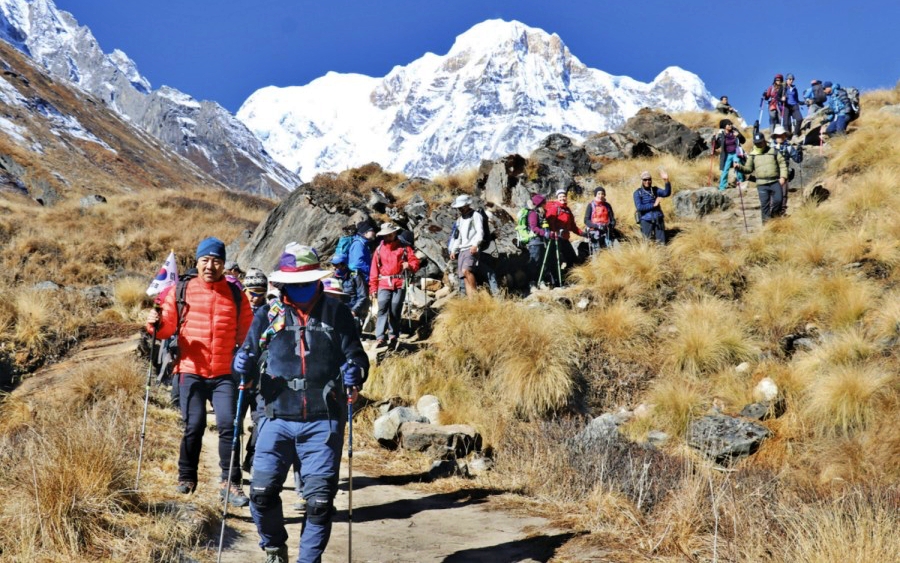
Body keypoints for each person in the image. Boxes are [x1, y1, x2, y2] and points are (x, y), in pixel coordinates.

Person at [232, 243, 368, 563]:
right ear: (283, 284)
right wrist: (241, 363)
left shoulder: (338, 313)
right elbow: (249, 356)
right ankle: (274, 546)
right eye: (294, 284)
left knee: (319, 502)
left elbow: (358, 357)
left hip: (324, 417)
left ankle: (309, 560)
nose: (300, 289)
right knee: (262, 495)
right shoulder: (269, 314)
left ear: (317, 280)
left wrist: (355, 370)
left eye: (305, 282)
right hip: (275, 416)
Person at [145, 237, 252, 505]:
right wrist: (153, 324)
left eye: (216, 260)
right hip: (190, 370)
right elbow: (166, 330)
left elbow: (248, 334)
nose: (210, 265)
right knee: (194, 425)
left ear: (224, 265)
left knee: (230, 425)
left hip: (224, 373)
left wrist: (250, 359)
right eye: (205, 259)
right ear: (197, 261)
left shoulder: (237, 295)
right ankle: (186, 475)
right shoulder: (180, 291)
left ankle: (231, 483)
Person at [369, 222, 420, 348]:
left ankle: (393, 335)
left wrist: (410, 265)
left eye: (389, 234)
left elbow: (415, 262)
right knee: (382, 308)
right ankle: (380, 337)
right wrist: (373, 288)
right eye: (385, 235)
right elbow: (374, 270)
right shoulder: (379, 250)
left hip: (399, 282)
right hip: (384, 283)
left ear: (394, 233)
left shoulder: (404, 247)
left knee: (395, 309)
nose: (387, 237)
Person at [239, 268, 269, 474]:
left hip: (262, 379)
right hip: (238, 376)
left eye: (261, 292)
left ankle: (251, 460)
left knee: (261, 422)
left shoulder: (271, 314)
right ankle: (232, 471)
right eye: (252, 292)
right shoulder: (236, 312)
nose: (256, 297)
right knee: (234, 423)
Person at [734, 132, 788, 223]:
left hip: (775, 181)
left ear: (764, 141)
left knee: (779, 201)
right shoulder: (752, 155)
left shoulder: (773, 151)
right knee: (764, 205)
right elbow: (748, 169)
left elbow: (782, 164)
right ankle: (766, 225)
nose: (759, 144)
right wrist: (739, 167)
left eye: (761, 142)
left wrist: (783, 177)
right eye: (757, 143)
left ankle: (775, 218)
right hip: (762, 184)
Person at [448, 195, 484, 298]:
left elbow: (480, 231)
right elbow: (458, 237)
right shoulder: (460, 219)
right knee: (464, 276)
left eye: (462, 206)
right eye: (459, 207)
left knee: (466, 270)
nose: (460, 209)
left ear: (467, 205)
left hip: (471, 248)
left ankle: (476, 297)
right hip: (462, 250)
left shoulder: (476, 215)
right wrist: (454, 250)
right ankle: (471, 301)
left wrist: (475, 245)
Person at [545, 188, 584, 275]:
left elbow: (573, 226)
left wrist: (582, 233)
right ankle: (555, 280)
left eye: (564, 196)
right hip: (555, 239)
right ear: (557, 198)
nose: (562, 198)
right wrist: (554, 231)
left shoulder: (567, 210)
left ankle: (568, 276)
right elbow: (549, 222)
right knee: (556, 260)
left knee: (572, 259)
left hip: (565, 238)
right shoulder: (555, 208)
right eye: (560, 196)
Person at [523, 194, 556, 288]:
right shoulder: (533, 213)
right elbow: (534, 228)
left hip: (542, 241)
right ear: (540, 203)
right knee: (534, 262)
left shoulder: (542, 213)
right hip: (535, 242)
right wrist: (545, 233)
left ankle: (541, 281)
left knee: (543, 262)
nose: (545, 203)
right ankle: (532, 283)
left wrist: (549, 233)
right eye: (544, 202)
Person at [346, 221, 374, 330]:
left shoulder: (362, 243)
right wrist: (371, 270)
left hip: (360, 276)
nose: (373, 232)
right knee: (361, 300)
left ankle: (357, 330)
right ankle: (355, 330)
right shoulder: (358, 244)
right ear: (365, 233)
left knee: (360, 301)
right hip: (359, 276)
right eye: (371, 231)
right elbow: (356, 263)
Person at [633, 170, 672, 243]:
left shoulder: (655, 190)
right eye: (645, 179)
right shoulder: (637, 193)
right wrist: (654, 205)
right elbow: (639, 207)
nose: (647, 181)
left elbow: (666, 193)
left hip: (658, 218)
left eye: (649, 179)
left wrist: (666, 180)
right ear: (642, 181)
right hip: (645, 219)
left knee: (661, 242)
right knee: (646, 242)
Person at [713, 119, 746, 191]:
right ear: (724, 126)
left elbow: (743, 141)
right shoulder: (721, 134)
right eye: (728, 124)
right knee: (725, 170)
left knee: (737, 166)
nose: (730, 125)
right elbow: (715, 146)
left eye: (731, 124)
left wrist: (739, 135)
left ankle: (741, 182)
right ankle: (722, 187)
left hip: (736, 153)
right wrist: (714, 138)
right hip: (726, 154)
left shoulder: (735, 131)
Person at [583, 187, 616, 255]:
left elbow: (612, 219)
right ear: (595, 195)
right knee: (597, 252)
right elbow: (586, 220)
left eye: (602, 194)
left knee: (609, 250)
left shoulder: (607, 205)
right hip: (594, 231)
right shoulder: (590, 205)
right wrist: (597, 226)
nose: (600, 195)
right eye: (598, 193)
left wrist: (611, 225)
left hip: (606, 230)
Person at [781, 74, 803, 138]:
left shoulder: (794, 89)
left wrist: (804, 102)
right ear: (786, 79)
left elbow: (797, 100)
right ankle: (787, 137)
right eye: (790, 79)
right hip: (786, 106)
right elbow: (777, 97)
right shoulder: (783, 87)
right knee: (786, 123)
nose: (791, 81)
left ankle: (795, 134)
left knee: (799, 119)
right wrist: (781, 99)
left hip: (794, 106)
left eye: (792, 79)